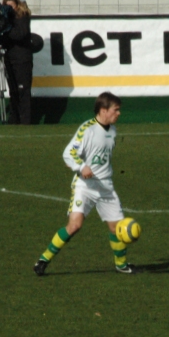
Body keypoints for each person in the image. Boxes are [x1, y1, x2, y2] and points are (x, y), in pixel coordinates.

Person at [34, 92, 139, 276]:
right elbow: (68, 153)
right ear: (103, 110)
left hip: (106, 186)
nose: (119, 113)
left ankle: (121, 265)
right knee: (75, 225)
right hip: (85, 186)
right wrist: (81, 166)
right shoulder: (87, 130)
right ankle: (43, 259)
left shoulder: (113, 130)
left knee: (116, 228)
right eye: (116, 110)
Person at [0, 0, 33, 125]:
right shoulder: (5, 18)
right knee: (13, 90)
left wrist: (6, 27)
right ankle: (14, 119)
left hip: (22, 59)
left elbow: (20, 35)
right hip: (9, 58)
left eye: (11, 6)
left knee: (23, 90)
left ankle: (25, 121)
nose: (9, 9)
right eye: (7, 6)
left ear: (17, 5)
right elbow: (0, 37)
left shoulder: (22, 16)